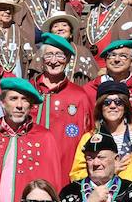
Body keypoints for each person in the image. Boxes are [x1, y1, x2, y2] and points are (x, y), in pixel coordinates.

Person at [31, 33, 94, 176]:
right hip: (31, 168)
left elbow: (88, 135)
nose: (54, 61)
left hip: (65, 170)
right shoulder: (29, 91)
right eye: (49, 55)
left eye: (60, 55)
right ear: (41, 59)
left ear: (68, 60)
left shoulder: (79, 96)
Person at [67, 81, 132, 179]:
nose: (113, 106)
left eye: (119, 102)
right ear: (100, 107)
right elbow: (76, 176)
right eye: (107, 102)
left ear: (126, 106)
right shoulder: (89, 138)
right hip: (101, 193)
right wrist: (109, 171)